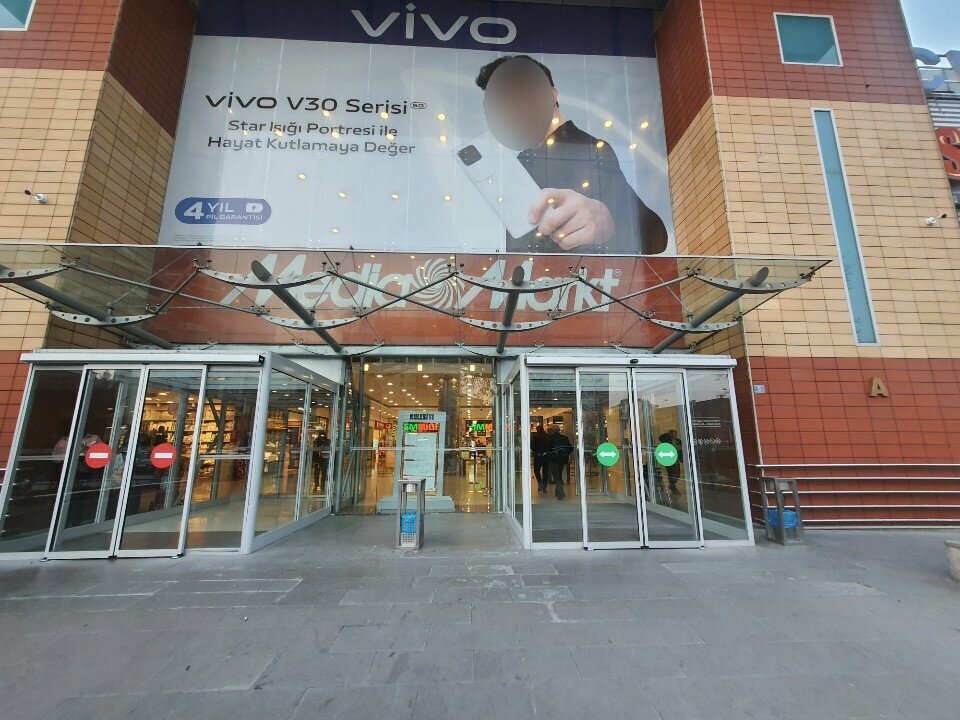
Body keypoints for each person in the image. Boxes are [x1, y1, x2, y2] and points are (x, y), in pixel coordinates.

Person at [475, 55, 668, 255]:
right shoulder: (522, 162)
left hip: (577, 279)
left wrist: (608, 221)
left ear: (551, 94)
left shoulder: (587, 149)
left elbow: (654, 235)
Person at [545, 425, 573, 500]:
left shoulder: (550, 438)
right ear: (559, 430)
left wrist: (548, 456)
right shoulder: (564, 438)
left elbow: (547, 449)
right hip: (563, 459)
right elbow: (570, 448)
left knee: (556, 476)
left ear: (553, 430)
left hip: (553, 459)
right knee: (559, 474)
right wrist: (566, 454)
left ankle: (561, 493)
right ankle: (557, 491)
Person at [658, 429, 683, 494]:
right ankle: (673, 486)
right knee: (672, 473)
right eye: (672, 434)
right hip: (669, 459)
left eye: (674, 433)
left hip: (677, 459)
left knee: (677, 473)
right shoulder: (666, 440)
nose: (673, 435)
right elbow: (660, 438)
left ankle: (672, 485)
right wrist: (667, 434)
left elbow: (681, 449)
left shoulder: (678, 440)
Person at [530, 423, 550, 494]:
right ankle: (544, 488)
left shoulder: (535, 436)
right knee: (545, 472)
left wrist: (536, 452)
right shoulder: (547, 436)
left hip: (538, 456)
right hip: (546, 456)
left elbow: (532, 446)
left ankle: (540, 482)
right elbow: (550, 446)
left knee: (536, 470)